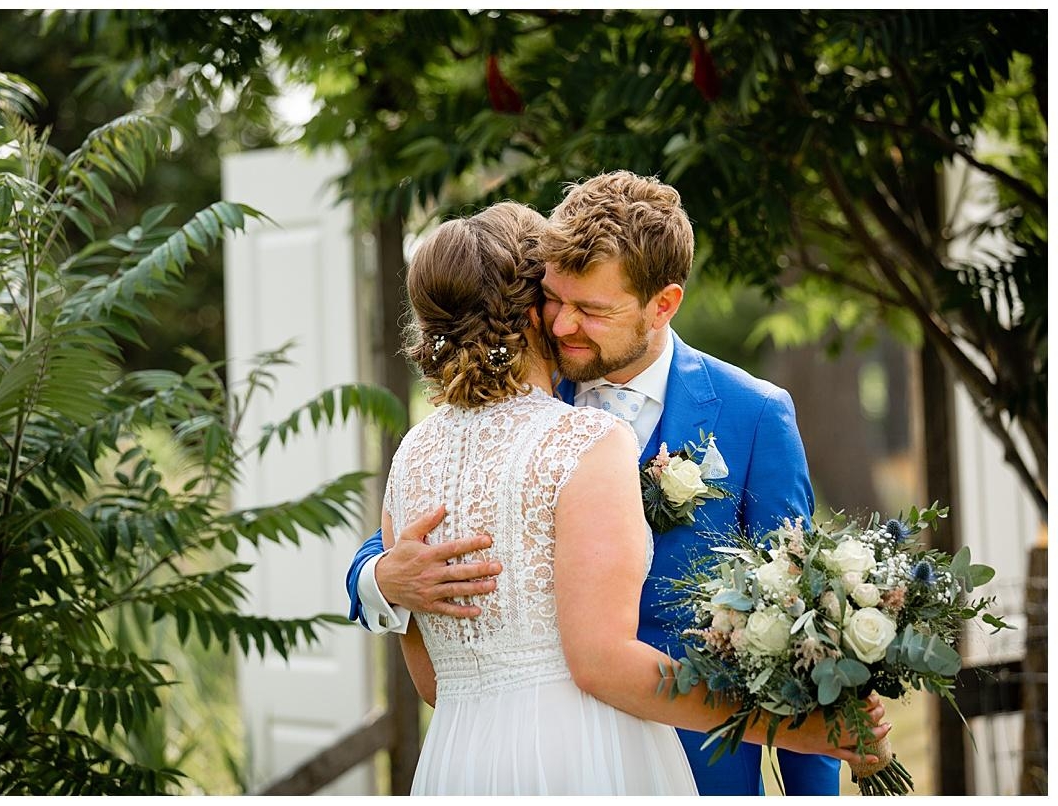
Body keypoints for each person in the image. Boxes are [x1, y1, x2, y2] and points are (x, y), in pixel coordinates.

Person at [347, 171, 846, 795]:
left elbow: (799, 631)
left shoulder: (754, 417)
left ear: (661, 304)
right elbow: (406, 548)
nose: (561, 327)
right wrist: (378, 578)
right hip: (563, 754)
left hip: (703, 763)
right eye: (555, 300)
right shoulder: (501, 406)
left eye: (592, 311)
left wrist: (813, 764)